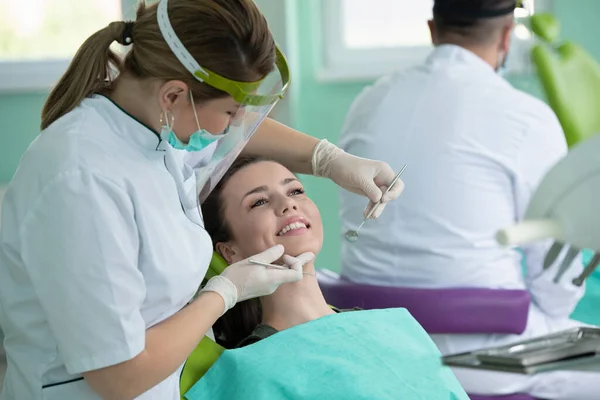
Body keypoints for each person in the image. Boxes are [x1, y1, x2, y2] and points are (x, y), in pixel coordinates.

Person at [0, 1, 404, 399]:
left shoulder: (153, 123)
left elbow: (235, 136)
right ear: (173, 95)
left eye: (295, 190)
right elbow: (118, 377)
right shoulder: (81, 181)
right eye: (231, 111)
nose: (239, 123)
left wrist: (329, 159)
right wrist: (223, 293)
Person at [338, 0, 599, 398]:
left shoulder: (366, 102)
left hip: (377, 345)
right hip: (488, 357)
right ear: (508, 35)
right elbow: (555, 282)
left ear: (432, 29)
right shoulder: (527, 117)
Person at [184, 156, 468, 400]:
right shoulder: (247, 371)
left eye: (295, 191)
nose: (287, 205)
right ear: (229, 252)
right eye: (258, 202)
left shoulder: (396, 328)